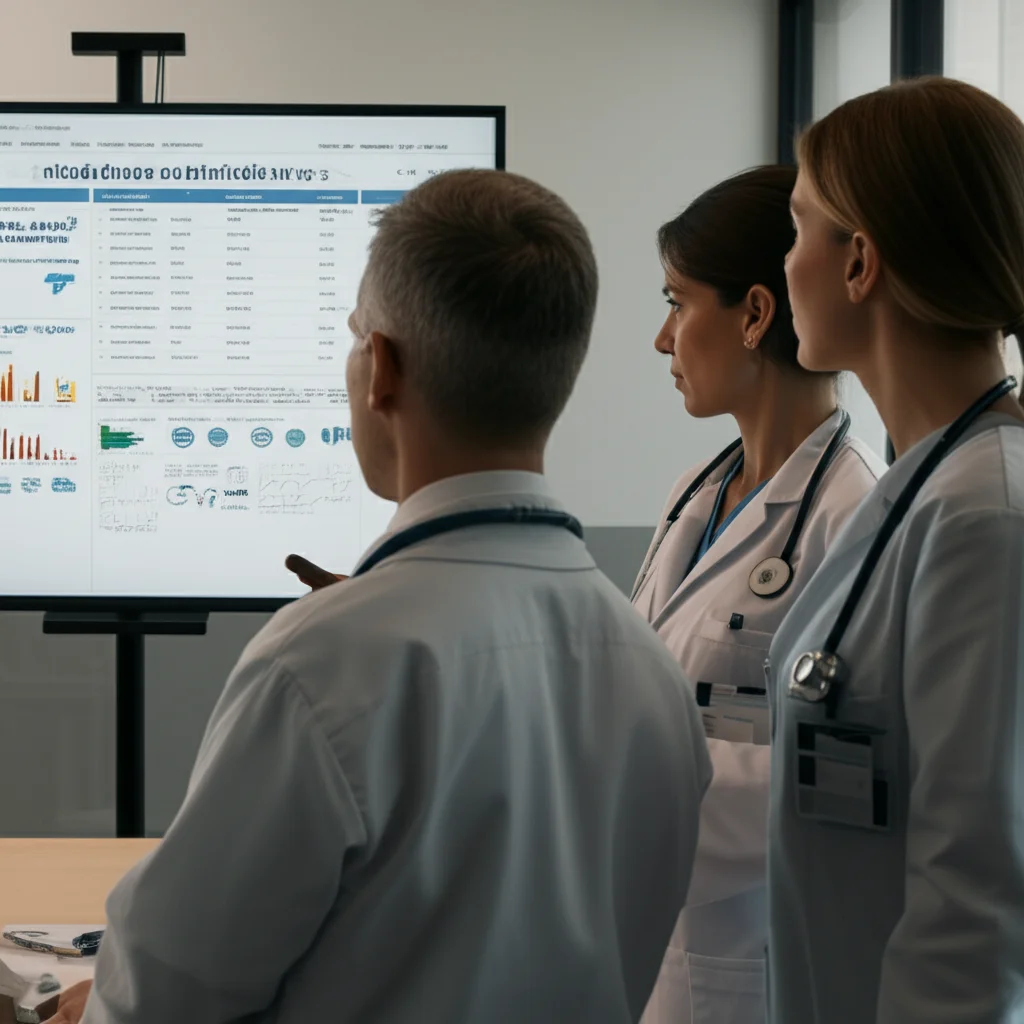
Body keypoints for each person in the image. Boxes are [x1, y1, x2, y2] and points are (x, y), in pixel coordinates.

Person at [50, 170, 712, 1024]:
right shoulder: (648, 668)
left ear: (382, 369)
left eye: (356, 332)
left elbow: (160, 1001)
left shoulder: (321, 667)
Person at [767, 77, 1024, 1023]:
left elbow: (977, 906)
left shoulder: (987, 516)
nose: (784, 262)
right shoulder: (926, 487)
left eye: (797, 229)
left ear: (860, 260)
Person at [633, 165, 885, 1024]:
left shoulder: (853, 516)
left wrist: (603, 789)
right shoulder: (692, 495)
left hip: (754, 971)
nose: (663, 340)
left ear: (752, 313)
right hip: (657, 948)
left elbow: (838, 781)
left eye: (676, 301)